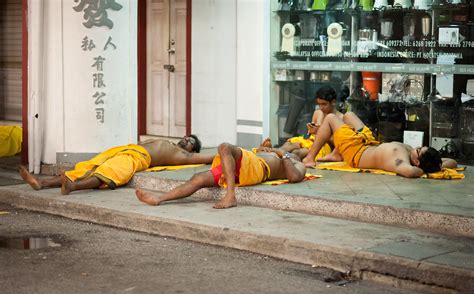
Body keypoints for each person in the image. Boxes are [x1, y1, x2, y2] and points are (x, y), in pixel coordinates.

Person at [19, 135, 215, 195]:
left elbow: (208, 158)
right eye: (186, 137)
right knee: (85, 166)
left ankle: (73, 186)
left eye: (190, 141)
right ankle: (41, 184)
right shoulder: (173, 145)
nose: (185, 139)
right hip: (124, 150)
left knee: (109, 172)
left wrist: (235, 153)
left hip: (136, 158)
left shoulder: (184, 156)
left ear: (193, 150)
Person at [136, 143, 306, 209]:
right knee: (198, 179)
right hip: (244, 164)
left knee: (224, 147)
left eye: (295, 150)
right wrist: (266, 148)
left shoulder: (297, 162)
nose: (292, 149)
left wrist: (284, 155)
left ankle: (230, 196)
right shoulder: (276, 152)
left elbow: (294, 177)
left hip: (256, 169)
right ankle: (159, 199)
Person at [302, 112, 457, 177]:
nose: (416, 148)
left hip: (356, 152)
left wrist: (422, 171)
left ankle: (309, 158)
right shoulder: (414, 156)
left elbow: (410, 172)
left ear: (417, 162)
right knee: (349, 115)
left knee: (329, 118)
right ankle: (337, 153)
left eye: (418, 150)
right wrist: (437, 167)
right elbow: (452, 162)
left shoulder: (401, 160)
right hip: (367, 143)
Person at [259, 86, 344, 160]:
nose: (321, 107)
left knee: (297, 152)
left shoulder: (339, 118)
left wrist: (319, 132)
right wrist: (310, 130)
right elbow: (310, 133)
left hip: (322, 146)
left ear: (333, 102)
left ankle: (274, 155)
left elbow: (339, 143)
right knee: (288, 145)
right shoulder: (318, 113)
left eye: (324, 104)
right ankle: (270, 153)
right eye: (319, 104)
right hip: (309, 140)